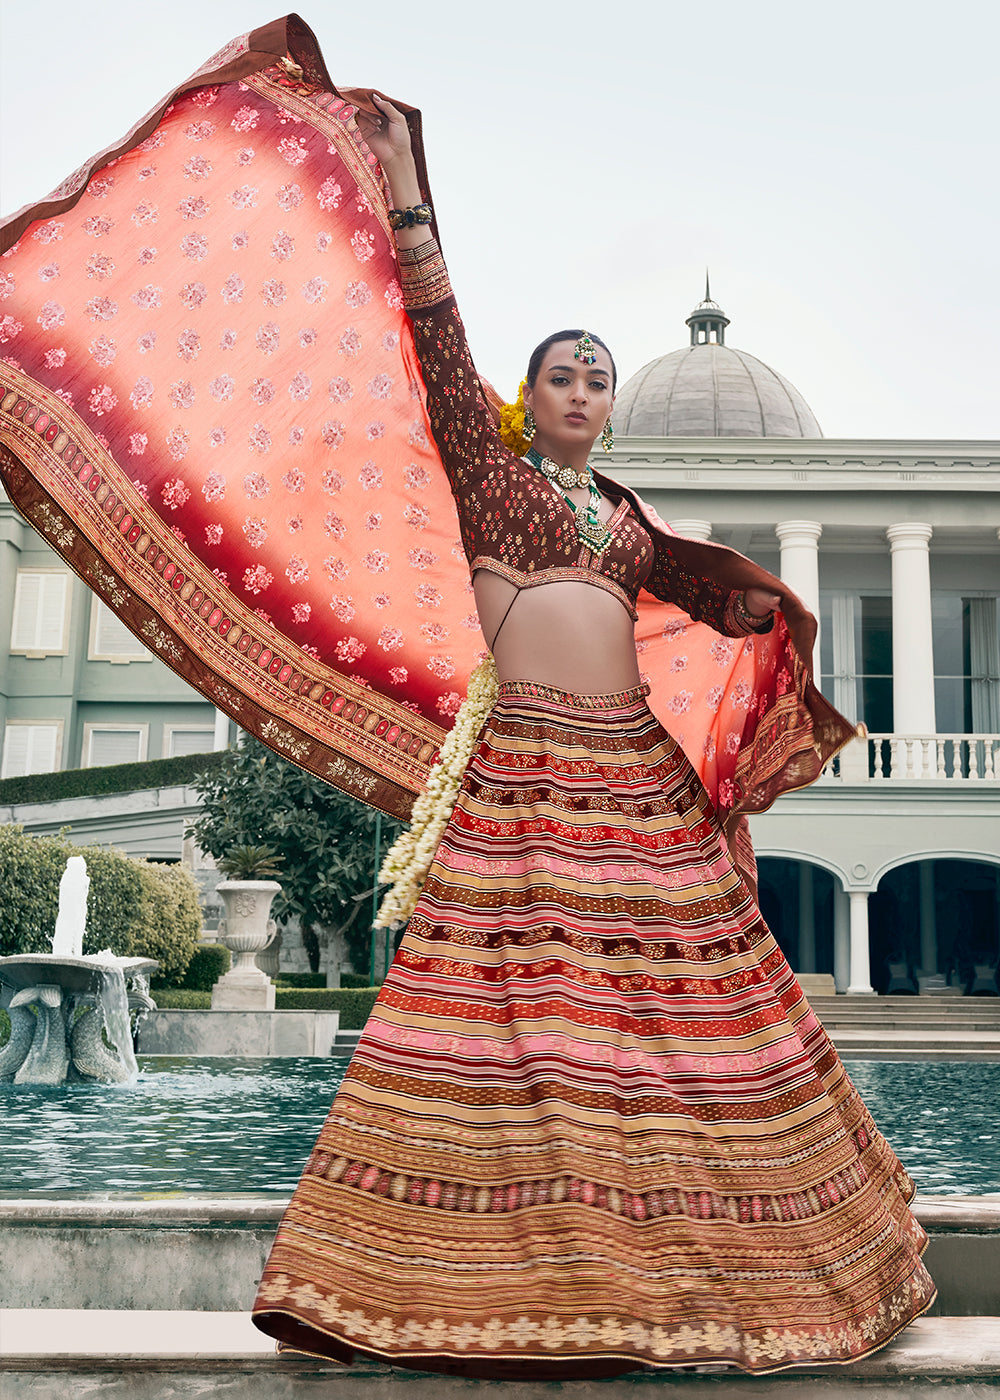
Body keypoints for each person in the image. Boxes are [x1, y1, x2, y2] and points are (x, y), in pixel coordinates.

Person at [250, 96, 934, 1377]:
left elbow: (703, 599)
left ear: (613, 404)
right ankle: (453, 1282)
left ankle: (723, 1262)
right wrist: (403, 182)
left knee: (693, 1018)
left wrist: (761, 614)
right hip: (527, 774)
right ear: (524, 396)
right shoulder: (495, 478)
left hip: (634, 773)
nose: (582, 388)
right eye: (562, 372)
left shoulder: (625, 514)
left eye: (598, 376)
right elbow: (436, 332)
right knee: (508, 1027)